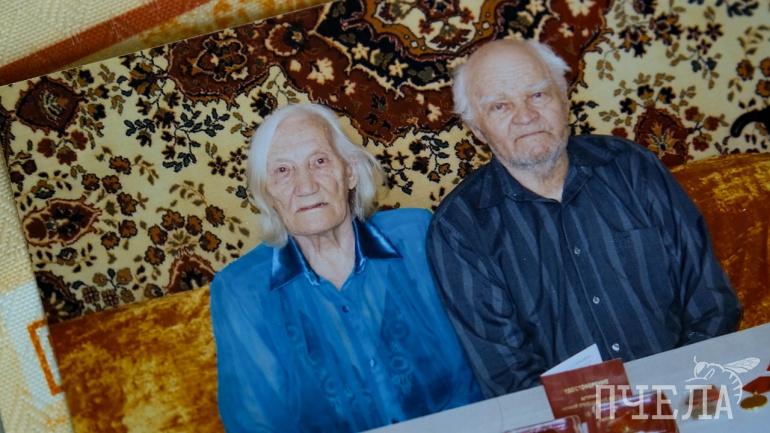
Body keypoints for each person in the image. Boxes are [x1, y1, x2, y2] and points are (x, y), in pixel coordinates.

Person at [426, 39, 742, 398]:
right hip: (575, 417)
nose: (526, 116)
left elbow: (711, 303)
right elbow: (508, 376)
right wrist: (621, 418)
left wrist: (685, 393)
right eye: (500, 106)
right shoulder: (459, 229)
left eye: (538, 95)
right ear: (477, 130)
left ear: (565, 100)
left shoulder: (633, 169)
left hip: (690, 391)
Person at [210, 103, 481, 433]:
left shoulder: (417, 237)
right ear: (267, 192)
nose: (306, 186)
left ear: (350, 171)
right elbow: (257, 423)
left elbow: (479, 364)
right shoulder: (241, 291)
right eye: (282, 170)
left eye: (319, 162)